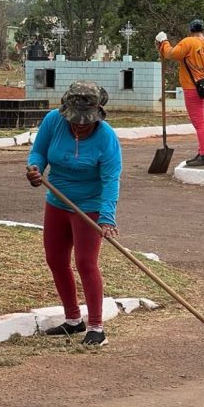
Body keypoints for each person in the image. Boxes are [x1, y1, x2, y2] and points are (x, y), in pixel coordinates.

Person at [26, 81, 122, 347]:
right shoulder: (53, 121)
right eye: (75, 120)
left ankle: (96, 327)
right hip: (57, 201)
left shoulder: (106, 137)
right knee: (56, 260)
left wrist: (106, 216)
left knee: (85, 262)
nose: (80, 125)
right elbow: (39, 152)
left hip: (89, 207)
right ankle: (72, 320)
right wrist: (35, 169)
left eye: (86, 121)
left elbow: (110, 179)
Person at [155, 20, 204, 167]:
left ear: (190, 31)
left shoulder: (188, 42)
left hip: (192, 88)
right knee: (202, 121)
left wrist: (163, 42)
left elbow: (171, 54)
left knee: (199, 123)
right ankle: (203, 152)